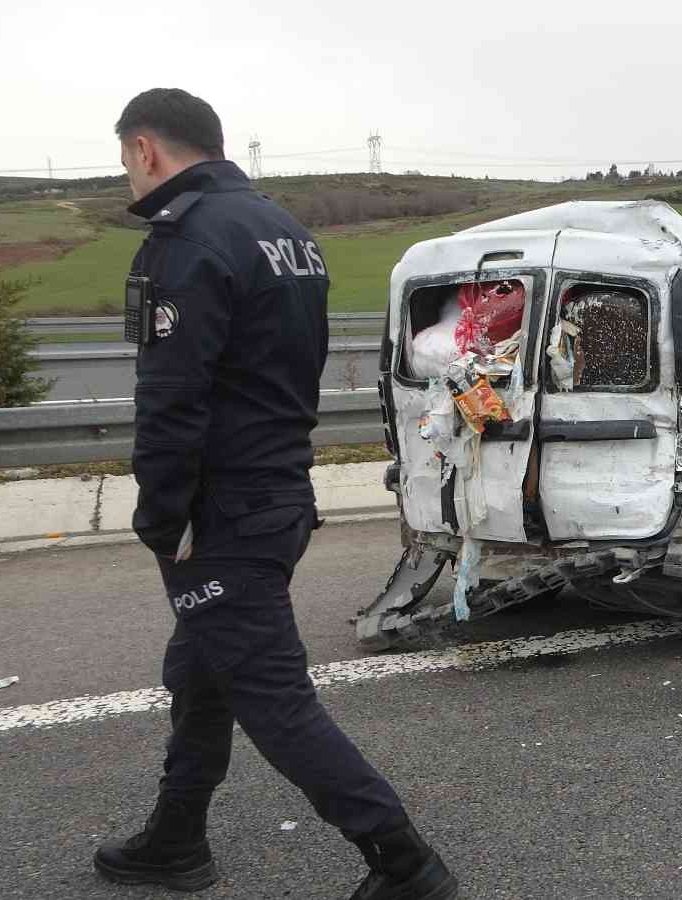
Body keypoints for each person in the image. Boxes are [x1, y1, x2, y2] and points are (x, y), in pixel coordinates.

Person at [93, 88, 458, 900]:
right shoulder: (288, 233)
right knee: (200, 670)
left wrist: (162, 517)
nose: (126, 176)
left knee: (272, 695)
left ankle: (405, 864)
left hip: (221, 508)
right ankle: (176, 838)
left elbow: (171, 398)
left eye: (125, 158)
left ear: (146, 147)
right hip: (280, 489)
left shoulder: (185, 242)